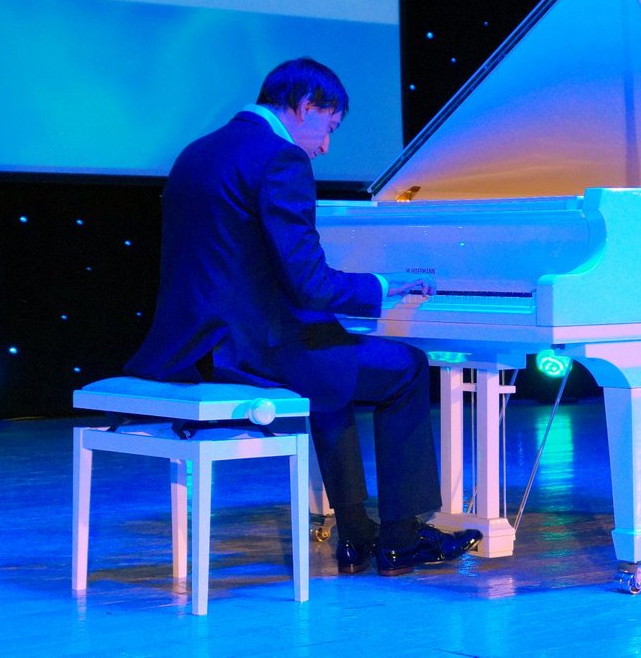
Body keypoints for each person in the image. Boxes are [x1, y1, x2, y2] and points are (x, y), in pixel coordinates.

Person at [124, 57, 480, 576]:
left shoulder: (196, 153)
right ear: (306, 105)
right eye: (329, 127)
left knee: (329, 350)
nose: (326, 146)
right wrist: (381, 286)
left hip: (192, 351)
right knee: (405, 367)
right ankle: (401, 540)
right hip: (254, 353)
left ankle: (357, 533)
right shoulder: (280, 158)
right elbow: (310, 284)